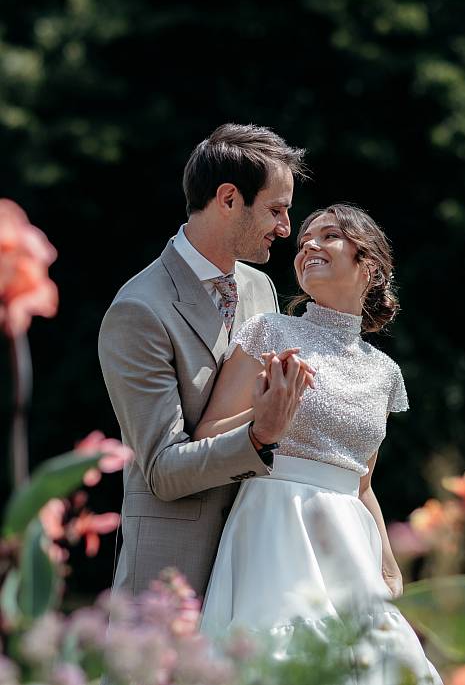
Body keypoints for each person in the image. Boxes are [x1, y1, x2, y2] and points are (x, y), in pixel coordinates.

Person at [194, 203, 443, 684]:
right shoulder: (271, 331)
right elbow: (207, 435)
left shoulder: (384, 373)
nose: (307, 244)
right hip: (275, 524)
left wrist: (390, 570)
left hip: (352, 542)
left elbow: (362, 482)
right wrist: (266, 414)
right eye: (304, 238)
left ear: (367, 264)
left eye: (328, 236)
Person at [98, 123, 313, 598]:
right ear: (229, 198)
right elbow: (162, 472)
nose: (285, 228)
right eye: (276, 210)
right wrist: (259, 434)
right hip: (173, 579)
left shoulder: (261, 288)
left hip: (256, 569)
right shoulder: (139, 310)